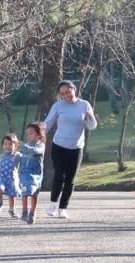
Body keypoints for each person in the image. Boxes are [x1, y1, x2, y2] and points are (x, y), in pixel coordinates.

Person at [43, 80, 97, 219]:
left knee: (70, 179)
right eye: (62, 94)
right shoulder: (58, 105)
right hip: (59, 146)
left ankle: (63, 208)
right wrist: (39, 135)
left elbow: (92, 126)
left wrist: (90, 117)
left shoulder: (84, 105)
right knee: (59, 175)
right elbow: (48, 123)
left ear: (74, 89)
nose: (65, 95)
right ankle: (53, 204)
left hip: (76, 147)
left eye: (68, 91)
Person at [0, 134, 22, 218]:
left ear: (15, 146)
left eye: (10, 144)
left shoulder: (17, 155)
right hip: (2, 178)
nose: (7, 146)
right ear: (2, 145)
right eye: (5, 144)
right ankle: (0, 202)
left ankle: (12, 209)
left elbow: (25, 160)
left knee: (11, 195)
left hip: (12, 179)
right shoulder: (1, 157)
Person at [19, 122, 46, 225]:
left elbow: (35, 151)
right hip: (25, 174)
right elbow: (19, 157)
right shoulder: (25, 146)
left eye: (31, 133)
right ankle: (24, 211)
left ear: (39, 135)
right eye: (27, 134)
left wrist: (23, 146)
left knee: (34, 194)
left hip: (36, 175)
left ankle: (32, 212)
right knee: (25, 192)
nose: (28, 136)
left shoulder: (41, 145)